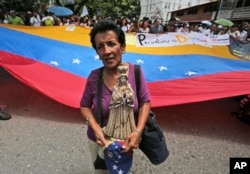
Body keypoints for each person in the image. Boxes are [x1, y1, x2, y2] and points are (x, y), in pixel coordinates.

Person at [80, 20, 151, 173]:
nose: (106, 51)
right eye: (100, 47)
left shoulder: (136, 73)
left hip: (125, 141)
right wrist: (95, 127)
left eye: (111, 44)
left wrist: (138, 131)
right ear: (98, 54)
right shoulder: (94, 77)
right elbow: (84, 106)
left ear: (123, 47)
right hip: (99, 141)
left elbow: (145, 102)